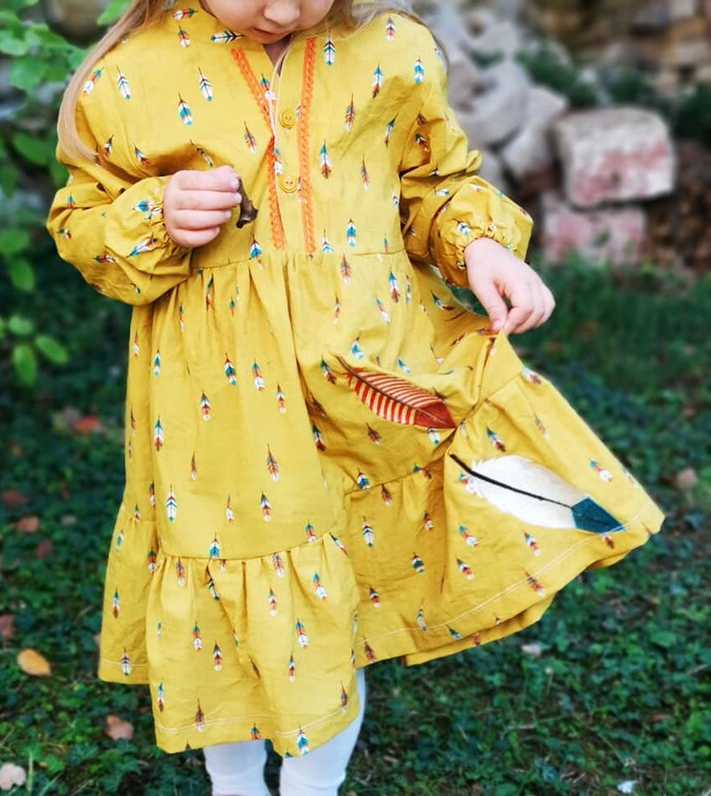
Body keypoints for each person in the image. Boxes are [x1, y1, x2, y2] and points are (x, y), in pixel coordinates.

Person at [46, 1, 665, 793]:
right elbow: (81, 224)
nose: (281, 10)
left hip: (373, 380)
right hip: (227, 411)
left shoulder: (389, 49)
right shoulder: (129, 76)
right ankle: (234, 786)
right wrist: (154, 215)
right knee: (236, 607)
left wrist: (475, 247)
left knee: (342, 600)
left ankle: (314, 787)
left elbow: (433, 183)